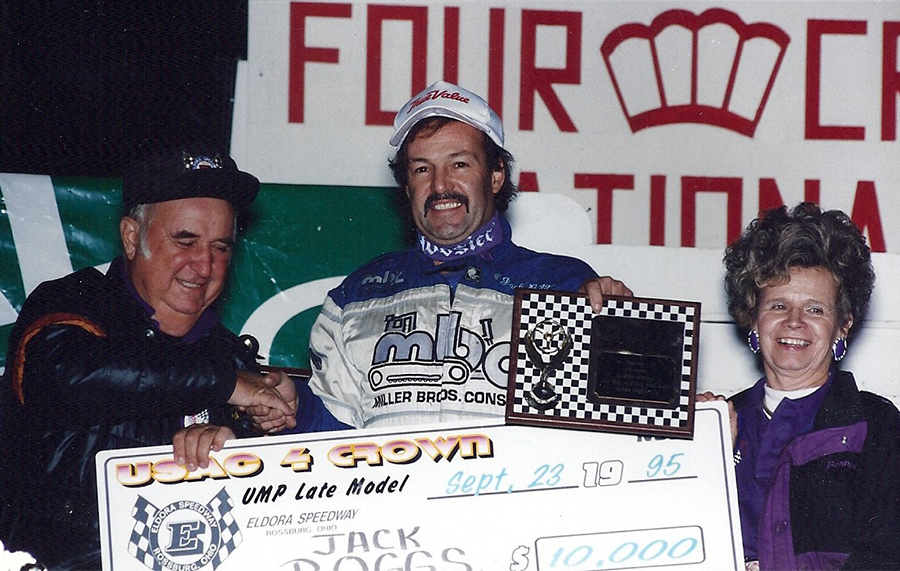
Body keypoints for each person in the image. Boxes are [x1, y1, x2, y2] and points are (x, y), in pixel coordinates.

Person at [0, 149, 298, 569]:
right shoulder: (73, 305)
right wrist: (226, 384)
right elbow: (69, 376)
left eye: (221, 247)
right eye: (185, 241)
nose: (204, 265)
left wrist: (247, 448)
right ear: (130, 236)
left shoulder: (229, 355)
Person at [291, 80, 631, 431]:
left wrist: (622, 333)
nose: (440, 186)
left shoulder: (564, 285)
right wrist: (293, 410)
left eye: (459, 165)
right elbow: (328, 436)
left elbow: (610, 420)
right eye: (422, 169)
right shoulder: (358, 294)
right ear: (406, 186)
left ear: (496, 175)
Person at [698, 202, 900, 570]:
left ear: (843, 326)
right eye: (777, 306)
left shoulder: (878, 426)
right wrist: (704, 453)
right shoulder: (717, 420)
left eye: (815, 309)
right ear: (752, 319)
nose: (794, 322)